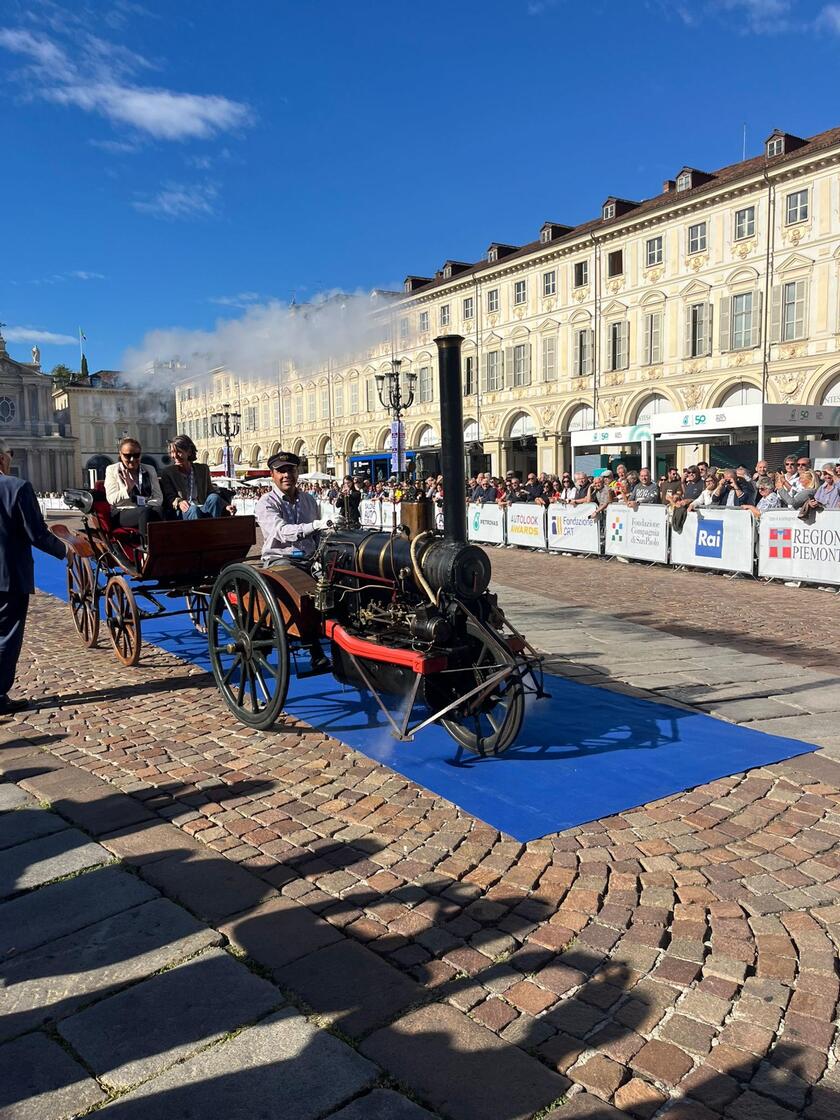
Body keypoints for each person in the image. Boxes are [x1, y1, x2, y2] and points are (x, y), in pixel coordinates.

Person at [0, 442, 72, 715]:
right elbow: (37, 534)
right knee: (7, 636)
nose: (11, 460)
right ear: (2, 459)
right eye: (10, 455)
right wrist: (66, 550)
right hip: (9, 576)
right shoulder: (17, 487)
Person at [255, 450, 330, 670]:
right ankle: (315, 649)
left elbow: (318, 535)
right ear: (273, 475)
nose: (287, 474)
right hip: (280, 559)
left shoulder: (308, 500)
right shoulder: (265, 502)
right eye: (281, 471)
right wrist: (314, 526)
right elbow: (281, 531)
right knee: (303, 591)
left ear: (297, 472)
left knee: (340, 581)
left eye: (291, 469)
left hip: (309, 559)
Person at [160, 434, 232, 520]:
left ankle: (212, 528)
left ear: (189, 452)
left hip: (202, 506)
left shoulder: (203, 469)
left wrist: (225, 506)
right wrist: (179, 502)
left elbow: (211, 492)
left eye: (179, 452)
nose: (175, 456)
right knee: (194, 510)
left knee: (214, 498)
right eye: (172, 452)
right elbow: (169, 497)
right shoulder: (168, 472)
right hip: (183, 511)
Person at [104, 438, 164, 538]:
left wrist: (146, 505)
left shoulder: (149, 469)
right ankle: (146, 548)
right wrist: (127, 490)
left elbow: (158, 497)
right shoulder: (112, 470)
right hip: (122, 512)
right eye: (127, 456)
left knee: (160, 510)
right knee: (144, 512)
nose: (132, 459)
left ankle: (165, 546)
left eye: (136, 455)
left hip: (147, 508)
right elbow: (111, 499)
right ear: (120, 454)